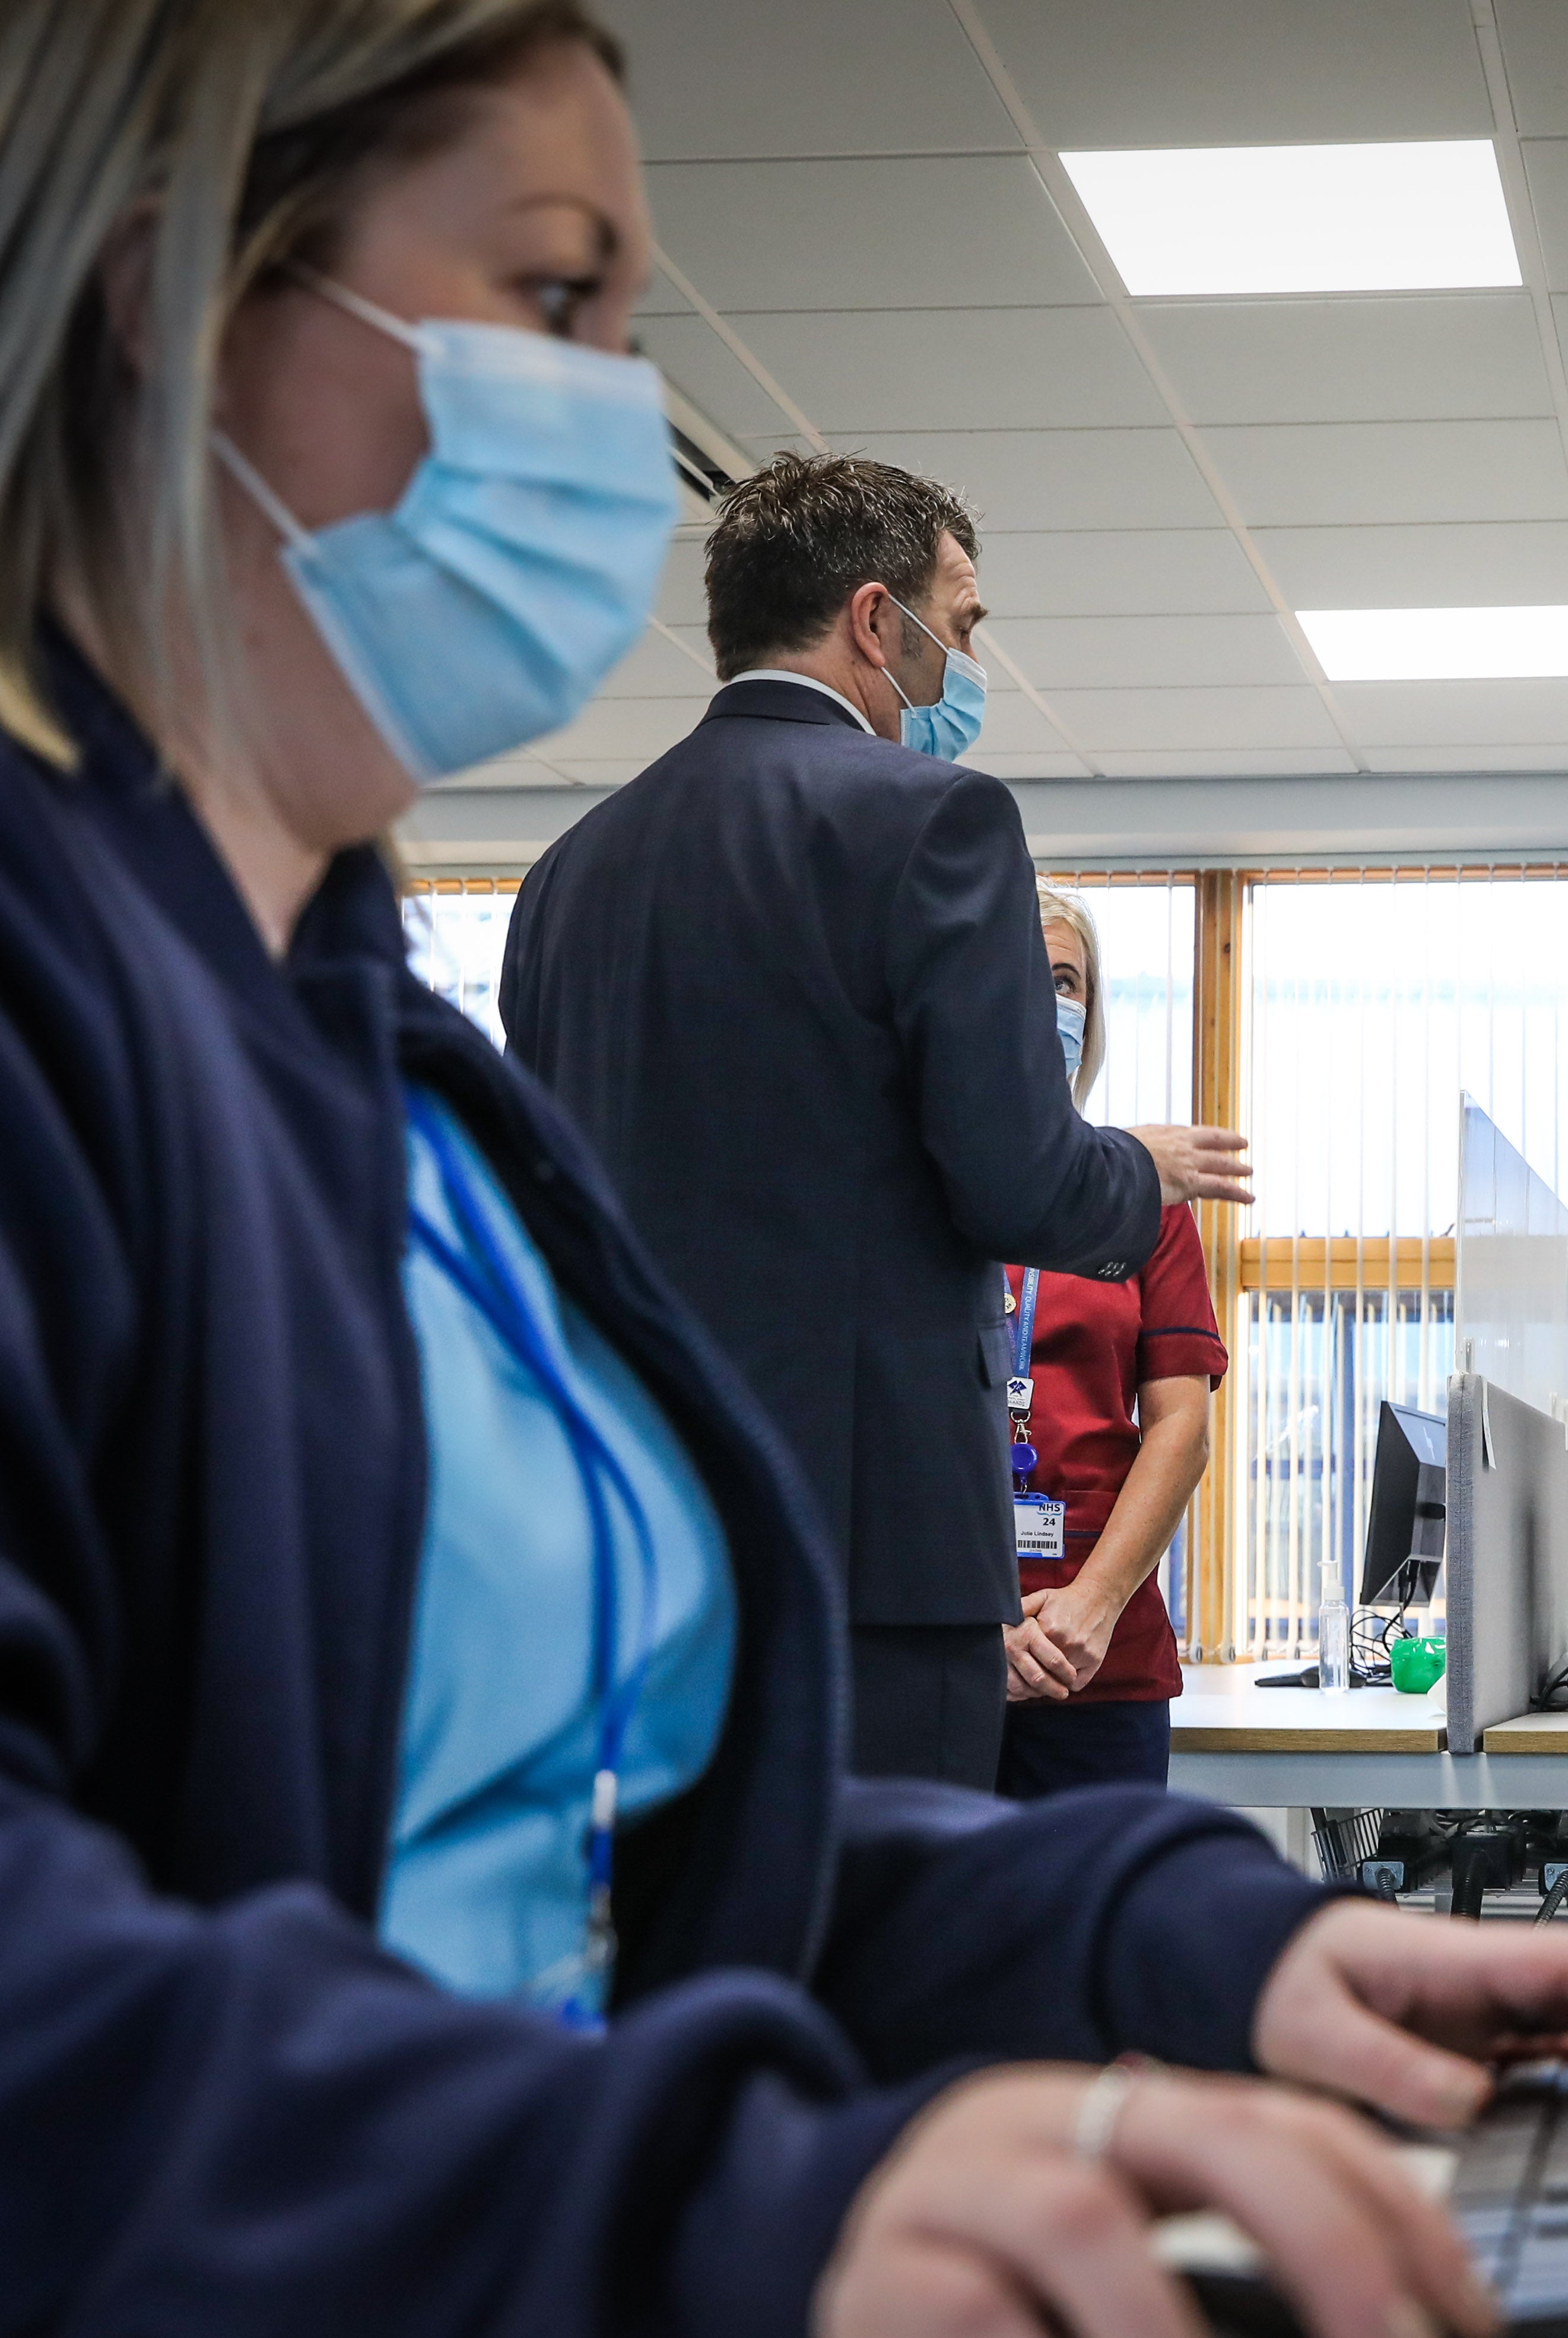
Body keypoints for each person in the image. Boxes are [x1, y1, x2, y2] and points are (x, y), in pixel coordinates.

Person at [0, 7, 1568, 2333]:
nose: (611, 419)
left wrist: (1176, 1930)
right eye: (559, 301)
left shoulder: (375, 1042)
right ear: (165, 306)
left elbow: (587, 1853)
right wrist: (694, 2198)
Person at [501, 454, 1247, 1791]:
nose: (965, 664)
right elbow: (1019, 1181)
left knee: (692, 1954)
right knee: (894, 1953)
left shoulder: (570, 875)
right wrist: (1136, 1165)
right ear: (871, 622)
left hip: (636, 1541)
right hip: (877, 1556)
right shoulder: (934, 821)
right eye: (958, 629)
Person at [996, 887, 1224, 1795]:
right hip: (939, 1651)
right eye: (1024, 979)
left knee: (1097, 1932)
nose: (1049, 1002)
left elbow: (1182, 1428)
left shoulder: (1141, 1200)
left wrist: (1091, 1607)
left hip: (1099, 1654)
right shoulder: (906, 1195)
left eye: (1065, 982)